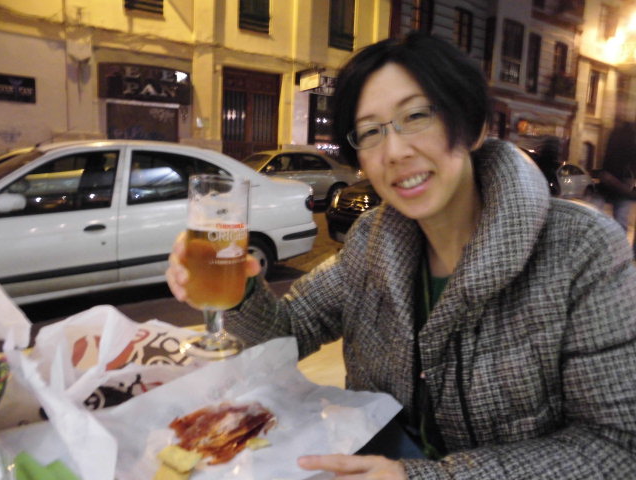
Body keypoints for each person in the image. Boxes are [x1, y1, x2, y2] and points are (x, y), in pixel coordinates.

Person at [167, 32, 636, 479]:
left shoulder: (581, 249)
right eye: (370, 132)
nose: (394, 151)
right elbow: (287, 334)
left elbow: (617, 447)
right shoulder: (373, 243)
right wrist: (239, 291)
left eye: (416, 117)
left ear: (472, 127)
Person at [597, 121, 636, 231]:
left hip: (615, 183)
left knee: (616, 220)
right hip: (619, 184)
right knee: (620, 221)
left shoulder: (619, 133)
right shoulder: (624, 134)